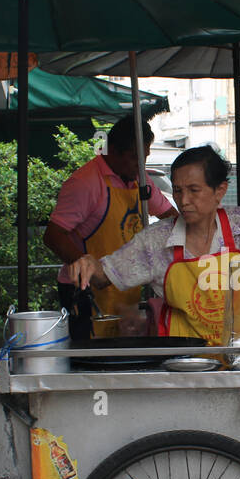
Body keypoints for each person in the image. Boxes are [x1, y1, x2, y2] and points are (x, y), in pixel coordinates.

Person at [68, 146, 240, 346]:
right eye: (177, 190)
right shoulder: (156, 240)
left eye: (194, 190)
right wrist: (88, 262)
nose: (183, 200)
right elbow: (104, 275)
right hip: (184, 361)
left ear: (219, 191)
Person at [44, 117, 175, 340]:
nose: (140, 165)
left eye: (145, 157)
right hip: (86, 292)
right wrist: (90, 270)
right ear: (112, 151)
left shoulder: (140, 181)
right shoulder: (85, 183)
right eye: (134, 157)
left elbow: (171, 219)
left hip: (125, 287)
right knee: (91, 360)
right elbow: (53, 236)